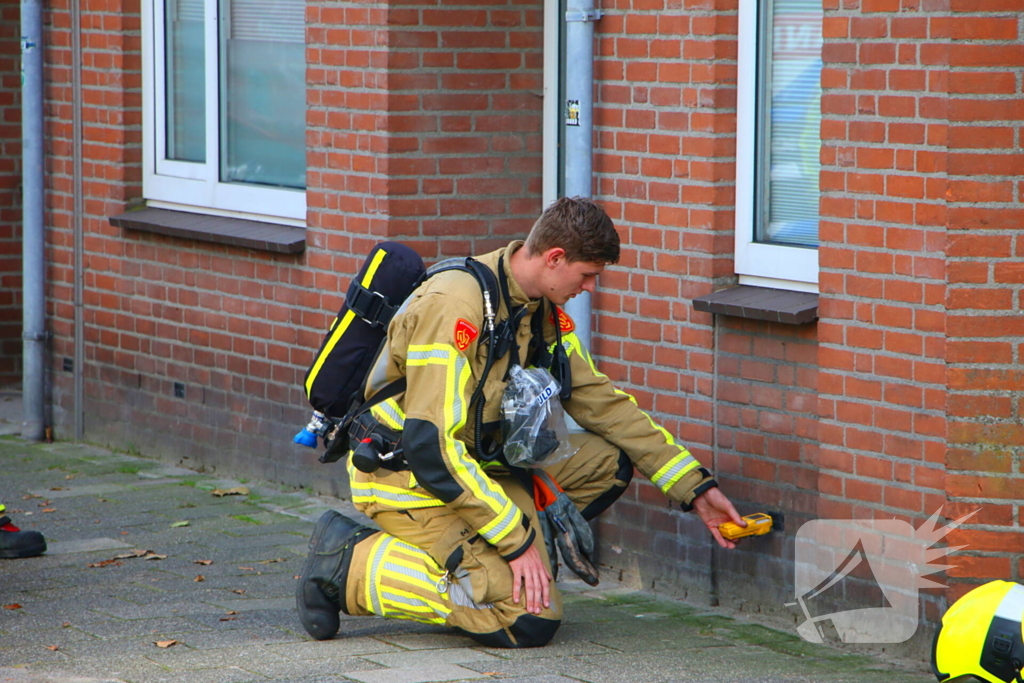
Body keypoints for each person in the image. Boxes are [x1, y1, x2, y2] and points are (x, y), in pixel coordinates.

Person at [296, 197, 745, 648]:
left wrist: (694, 487)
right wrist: (514, 540)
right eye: (587, 274)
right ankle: (346, 563)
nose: (590, 287)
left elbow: (602, 403)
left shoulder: (536, 309)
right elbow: (433, 448)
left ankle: (495, 563)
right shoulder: (457, 308)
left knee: (605, 463)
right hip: (408, 478)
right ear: (554, 259)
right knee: (525, 621)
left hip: (477, 468)